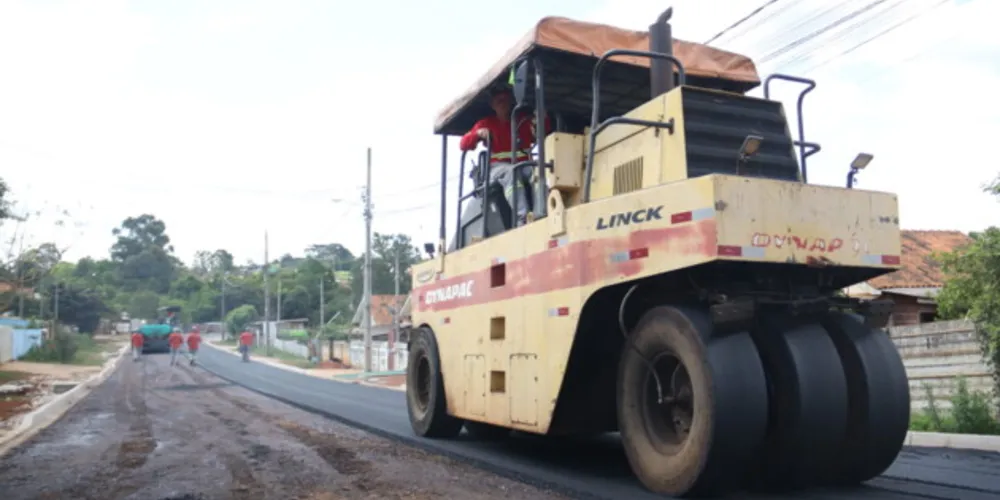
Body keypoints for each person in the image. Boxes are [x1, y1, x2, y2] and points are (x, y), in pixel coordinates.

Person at [459, 84, 550, 226]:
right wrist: (477, 134)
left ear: (510, 101)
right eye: (498, 100)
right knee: (511, 173)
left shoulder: (522, 122)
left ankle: (541, 212)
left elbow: (541, 132)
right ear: (492, 105)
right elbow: (463, 144)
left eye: (505, 99)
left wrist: (541, 120)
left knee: (539, 170)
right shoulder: (486, 123)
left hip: (523, 164)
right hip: (497, 168)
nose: (502, 103)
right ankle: (523, 217)